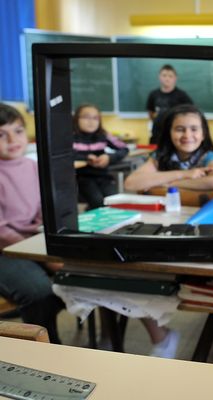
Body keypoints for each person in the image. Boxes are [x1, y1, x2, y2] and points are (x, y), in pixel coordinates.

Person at [0, 103, 64, 344]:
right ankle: (48, 350)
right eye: (1, 134)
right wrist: (40, 254)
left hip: (33, 242)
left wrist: (44, 243)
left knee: (76, 277)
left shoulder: (32, 166)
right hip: (6, 250)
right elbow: (2, 232)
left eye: (17, 131)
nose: (12, 139)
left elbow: (44, 209)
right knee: (40, 293)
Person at [124, 104, 213, 193]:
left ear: (203, 134)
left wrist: (168, 184)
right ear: (169, 133)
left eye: (194, 129)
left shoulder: (209, 157)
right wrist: (184, 174)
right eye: (180, 129)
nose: (187, 135)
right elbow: (131, 183)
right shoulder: (161, 156)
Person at [73, 104, 129, 210]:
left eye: (95, 118)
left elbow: (124, 148)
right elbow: (64, 154)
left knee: (114, 201)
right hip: (82, 178)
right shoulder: (70, 136)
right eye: (86, 117)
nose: (91, 121)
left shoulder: (103, 135)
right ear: (76, 119)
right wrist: (86, 157)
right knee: (98, 202)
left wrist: (109, 157)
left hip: (103, 176)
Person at [146, 64, 193, 145]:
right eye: (164, 75)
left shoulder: (182, 95)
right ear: (159, 77)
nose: (167, 78)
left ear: (175, 78)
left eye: (170, 76)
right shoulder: (153, 94)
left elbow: (191, 113)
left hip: (175, 134)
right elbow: (151, 112)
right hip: (157, 133)